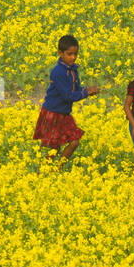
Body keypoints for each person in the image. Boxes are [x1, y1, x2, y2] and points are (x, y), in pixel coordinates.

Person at [33, 34, 99, 170]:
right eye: (69, 54)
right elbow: (68, 95)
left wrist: (86, 90)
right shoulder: (58, 72)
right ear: (60, 53)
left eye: (75, 54)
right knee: (54, 148)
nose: (73, 57)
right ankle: (44, 171)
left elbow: (75, 89)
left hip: (64, 114)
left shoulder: (73, 70)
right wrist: (86, 93)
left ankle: (58, 168)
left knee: (74, 142)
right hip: (53, 113)